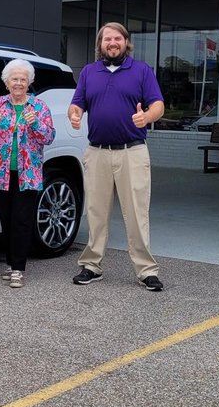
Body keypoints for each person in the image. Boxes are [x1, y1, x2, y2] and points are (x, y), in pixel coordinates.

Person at [68, 22, 166, 291]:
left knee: (136, 213)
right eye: (107, 39)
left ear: (126, 42)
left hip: (131, 152)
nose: (112, 43)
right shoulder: (89, 72)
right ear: (100, 44)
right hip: (97, 152)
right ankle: (91, 265)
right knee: (96, 212)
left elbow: (158, 105)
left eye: (117, 38)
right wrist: (75, 115)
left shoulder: (141, 71)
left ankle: (146, 271)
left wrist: (146, 116)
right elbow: (77, 104)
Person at [0, 59, 56, 288]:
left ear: (29, 82)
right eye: (14, 79)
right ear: (6, 82)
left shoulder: (39, 108)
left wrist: (36, 124)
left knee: (22, 220)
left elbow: (49, 137)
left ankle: (18, 268)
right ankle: (11, 264)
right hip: (0, 173)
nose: (18, 83)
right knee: (7, 220)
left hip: (27, 174)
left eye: (23, 79)